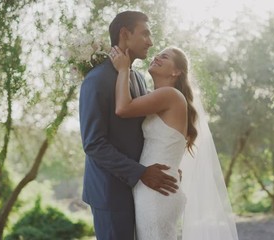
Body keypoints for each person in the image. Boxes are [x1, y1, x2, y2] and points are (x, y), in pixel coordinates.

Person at [110, 45, 239, 239]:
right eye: (157, 54)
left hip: (156, 191)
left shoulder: (169, 95)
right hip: (157, 186)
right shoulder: (161, 97)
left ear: (176, 71)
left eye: (165, 56)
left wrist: (122, 69)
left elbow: (123, 108)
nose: (157, 57)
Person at [79, 10, 179, 240]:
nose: (151, 42)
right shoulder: (96, 80)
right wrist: (140, 173)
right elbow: (93, 144)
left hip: (141, 190)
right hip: (110, 193)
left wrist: (167, 163)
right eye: (145, 34)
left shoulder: (139, 78)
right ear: (125, 34)